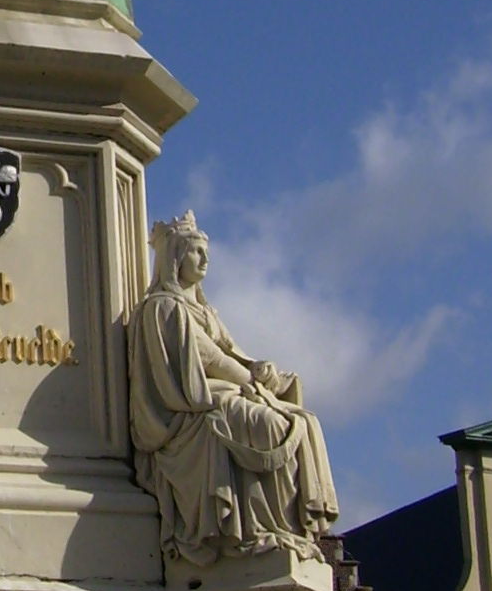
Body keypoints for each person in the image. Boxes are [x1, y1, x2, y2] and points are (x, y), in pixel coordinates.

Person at [129, 211, 338, 570]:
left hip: (221, 392)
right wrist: (248, 381)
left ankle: (284, 529)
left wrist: (264, 372)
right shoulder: (163, 308)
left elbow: (232, 351)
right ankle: (256, 528)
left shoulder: (205, 310)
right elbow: (205, 360)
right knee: (273, 426)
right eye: (196, 252)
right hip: (192, 407)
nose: (205, 260)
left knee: (305, 421)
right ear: (176, 257)